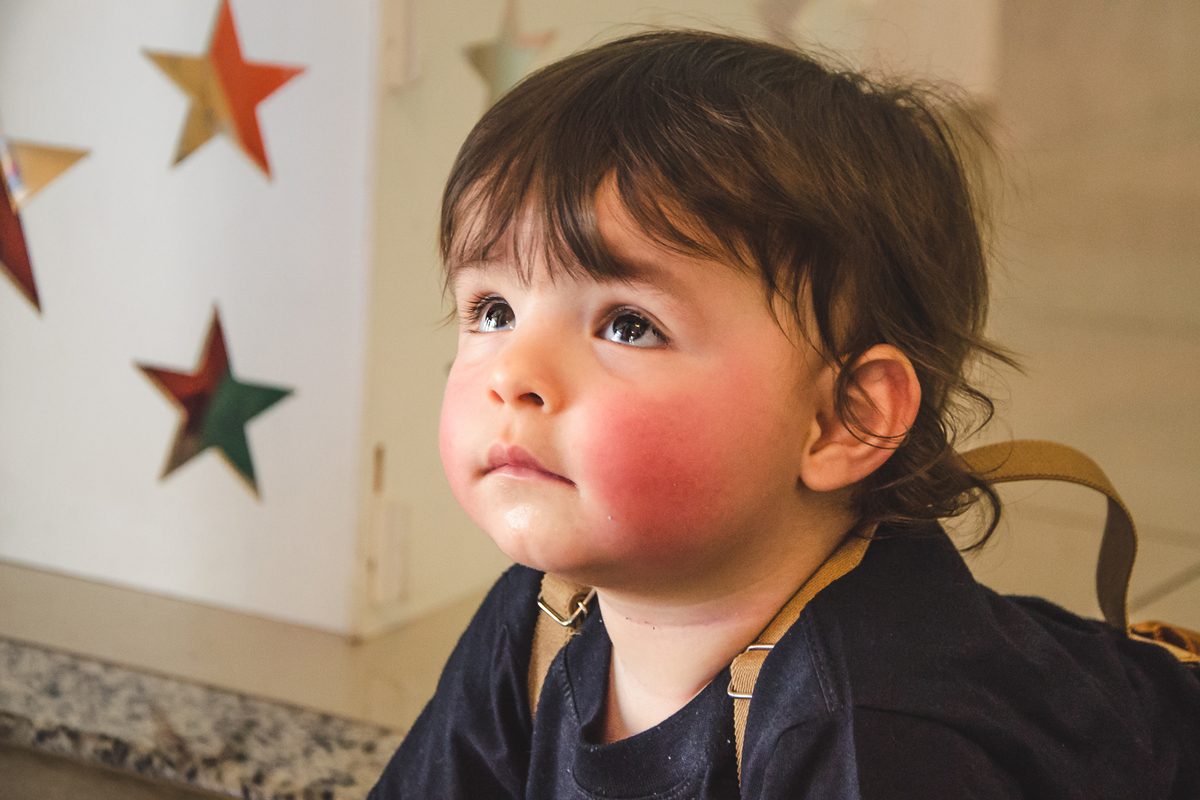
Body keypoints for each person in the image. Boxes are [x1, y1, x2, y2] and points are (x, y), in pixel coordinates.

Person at [369, 29, 1200, 799]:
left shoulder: (869, 727)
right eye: (493, 311)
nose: (513, 374)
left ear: (844, 418)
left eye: (628, 325)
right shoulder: (543, 616)